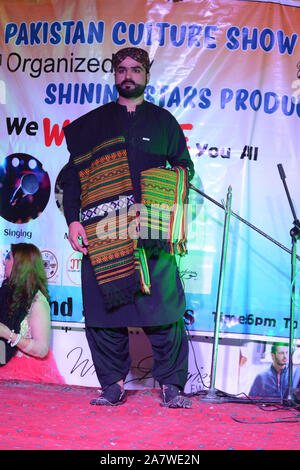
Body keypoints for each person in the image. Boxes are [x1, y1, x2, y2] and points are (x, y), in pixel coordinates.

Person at [61, 46, 194, 408]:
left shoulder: (164, 122)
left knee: (164, 312)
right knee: (104, 316)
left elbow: (185, 168)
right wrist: (73, 219)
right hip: (104, 232)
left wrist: (158, 194)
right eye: (122, 69)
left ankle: (171, 386)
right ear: (114, 75)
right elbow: (72, 178)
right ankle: (113, 385)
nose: (128, 75)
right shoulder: (93, 125)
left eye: (136, 69)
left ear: (147, 75)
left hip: (150, 233)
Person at [0, 243, 65, 384]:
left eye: (8, 258)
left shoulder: (37, 302)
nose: (4, 262)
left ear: (20, 265)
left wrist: (9, 335)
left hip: (28, 371)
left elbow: (42, 350)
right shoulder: (4, 293)